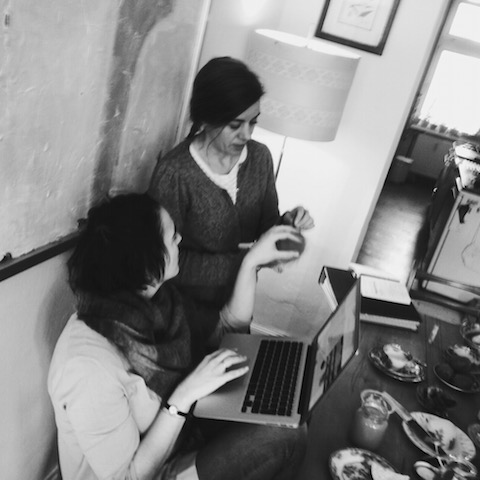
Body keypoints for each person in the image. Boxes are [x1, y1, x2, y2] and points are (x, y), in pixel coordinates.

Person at [48, 193, 307, 480]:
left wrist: (251, 263)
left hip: (183, 433)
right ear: (146, 262)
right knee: (285, 437)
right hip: (149, 471)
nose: (180, 239)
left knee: (288, 408)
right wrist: (184, 396)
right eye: (172, 236)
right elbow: (127, 477)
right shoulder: (87, 366)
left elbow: (226, 328)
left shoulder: (158, 303)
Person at [148, 57, 314, 324]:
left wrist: (288, 224)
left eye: (253, 122)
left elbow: (266, 227)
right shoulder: (175, 174)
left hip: (241, 301)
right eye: (235, 125)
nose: (246, 134)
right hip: (185, 315)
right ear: (206, 119)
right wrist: (248, 260)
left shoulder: (260, 158)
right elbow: (161, 261)